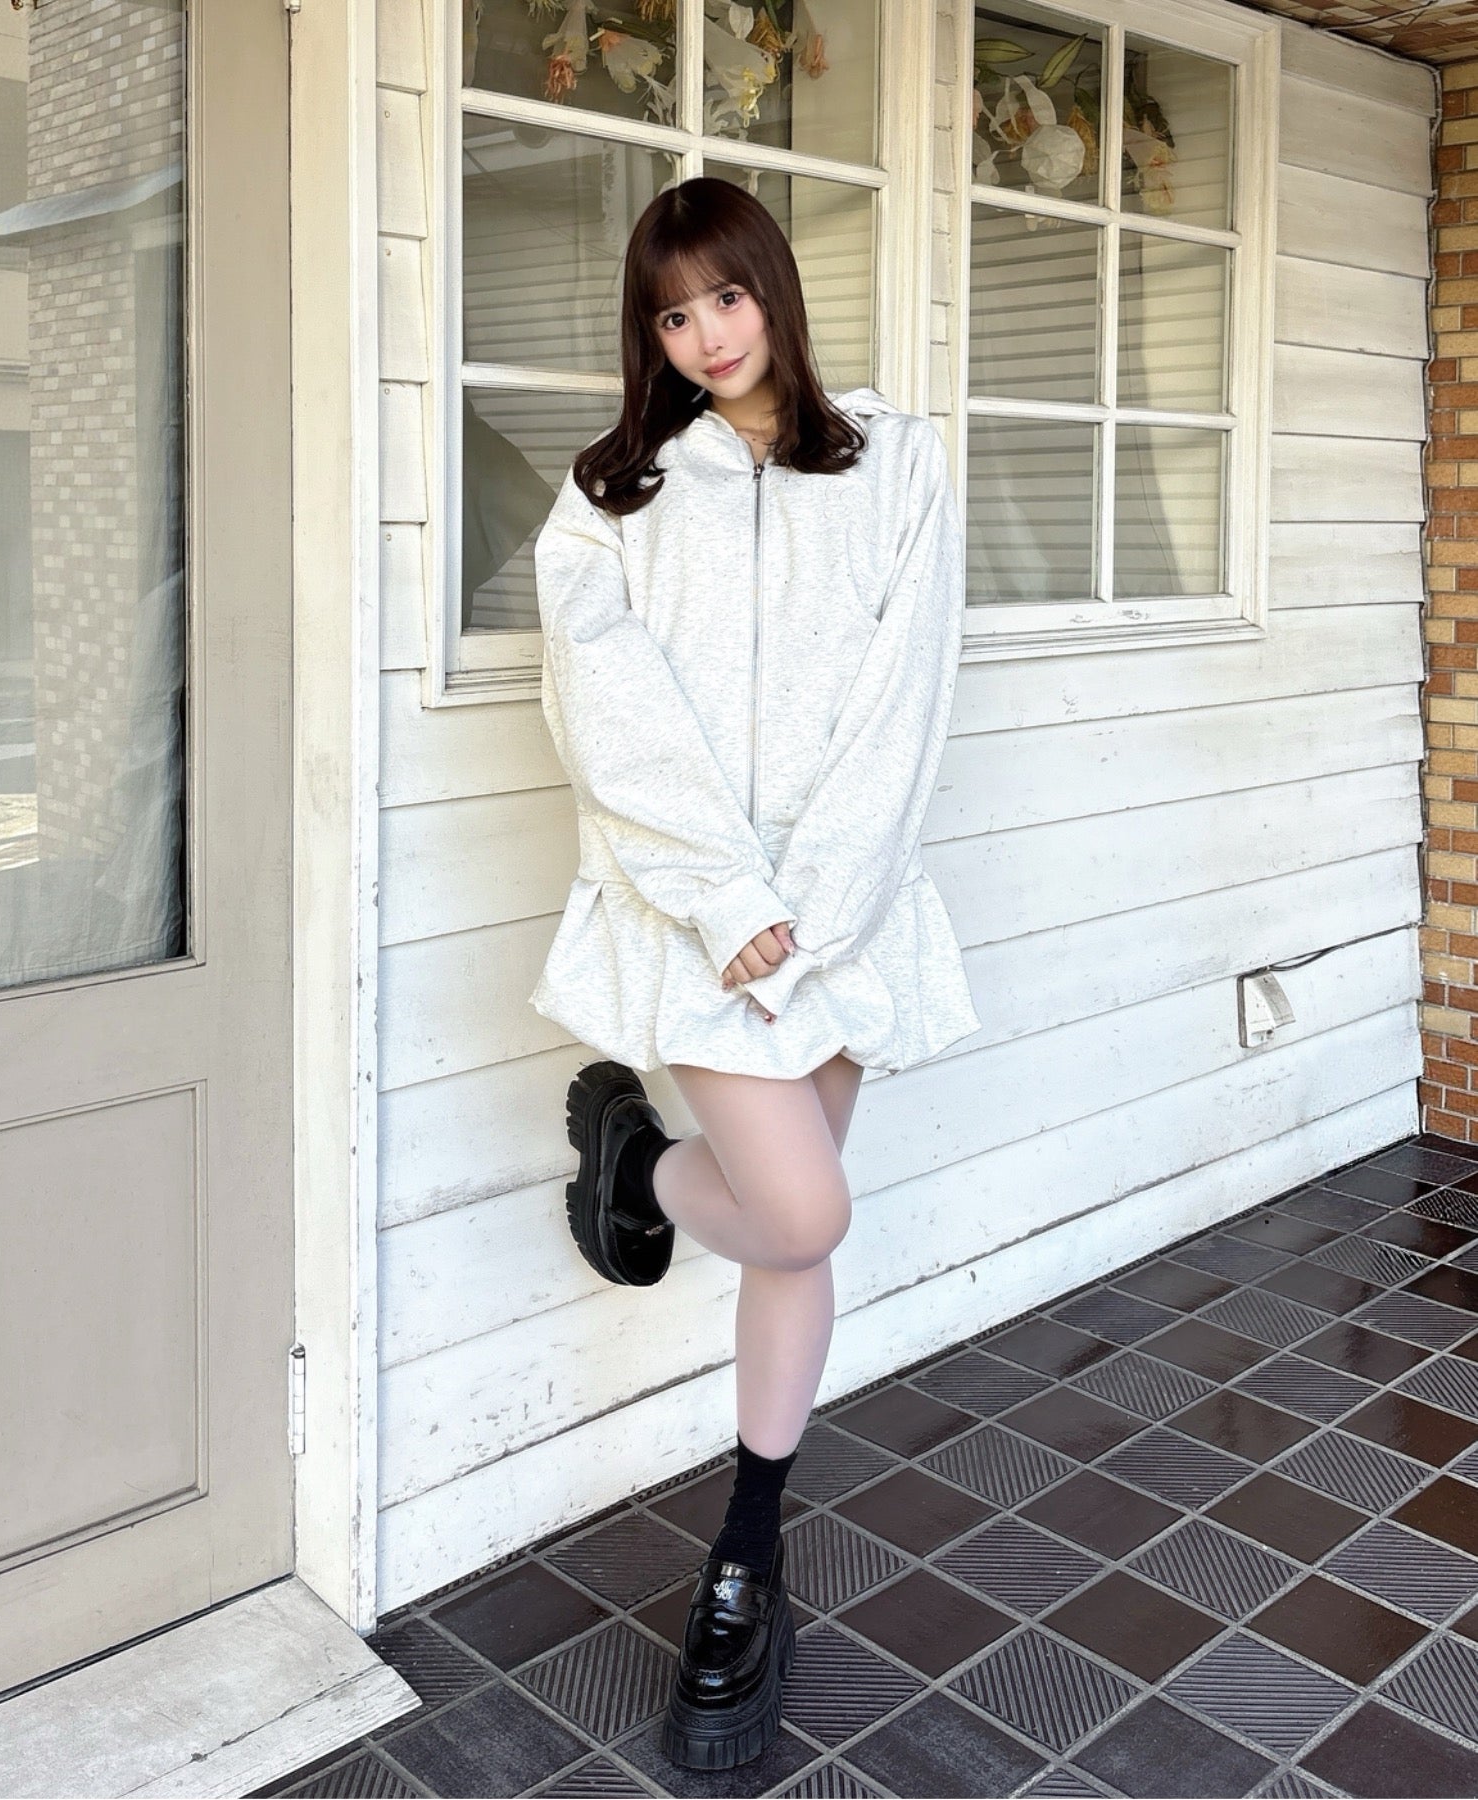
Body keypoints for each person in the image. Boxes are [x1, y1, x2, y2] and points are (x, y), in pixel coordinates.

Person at [526, 175, 981, 1772]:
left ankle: (745, 1554)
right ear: (649, 336)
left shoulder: (898, 462)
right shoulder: (616, 497)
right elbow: (605, 707)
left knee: (795, 1241)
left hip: (843, 912)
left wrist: (824, 908)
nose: (708, 335)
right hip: (701, 920)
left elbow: (911, 688)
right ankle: (644, 1166)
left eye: (725, 295)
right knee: (801, 1214)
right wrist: (730, 899)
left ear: (773, 289)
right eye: (673, 313)